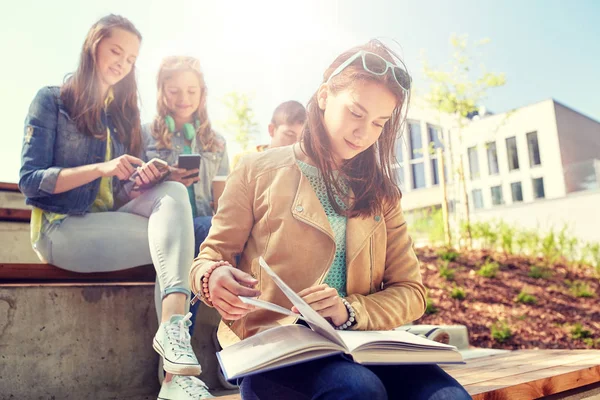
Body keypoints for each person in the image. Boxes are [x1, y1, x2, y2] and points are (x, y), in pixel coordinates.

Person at [189, 39, 471, 400]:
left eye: (378, 123)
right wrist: (213, 277)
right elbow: (209, 258)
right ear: (324, 96)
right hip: (280, 349)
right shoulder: (256, 170)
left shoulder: (381, 193)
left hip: (364, 344)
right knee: (358, 391)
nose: (364, 133)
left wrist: (350, 311)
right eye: (355, 113)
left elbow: (411, 292)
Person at [19, 15, 213, 399]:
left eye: (131, 58)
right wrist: (100, 168)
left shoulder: (123, 114)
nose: (123, 63)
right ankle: (176, 378)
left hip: (111, 224)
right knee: (177, 240)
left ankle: (174, 348)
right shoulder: (53, 100)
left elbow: (124, 193)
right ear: (94, 46)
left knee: (173, 197)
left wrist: (148, 176)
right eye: (116, 51)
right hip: (63, 228)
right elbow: (30, 181)